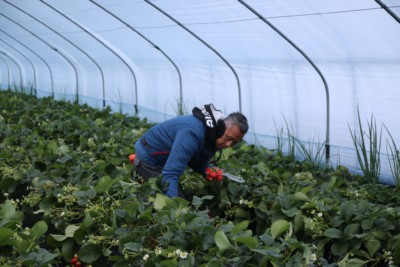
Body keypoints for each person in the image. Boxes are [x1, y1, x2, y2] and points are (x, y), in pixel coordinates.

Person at [132, 104, 249, 198]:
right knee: (176, 203)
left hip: (164, 160)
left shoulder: (212, 134)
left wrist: (207, 169)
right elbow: (170, 173)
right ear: (222, 126)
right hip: (149, 158)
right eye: (229, 138)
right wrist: (178, 207)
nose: (229, 144)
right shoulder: (193, 133)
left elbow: (196, 159)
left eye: (234, 142)